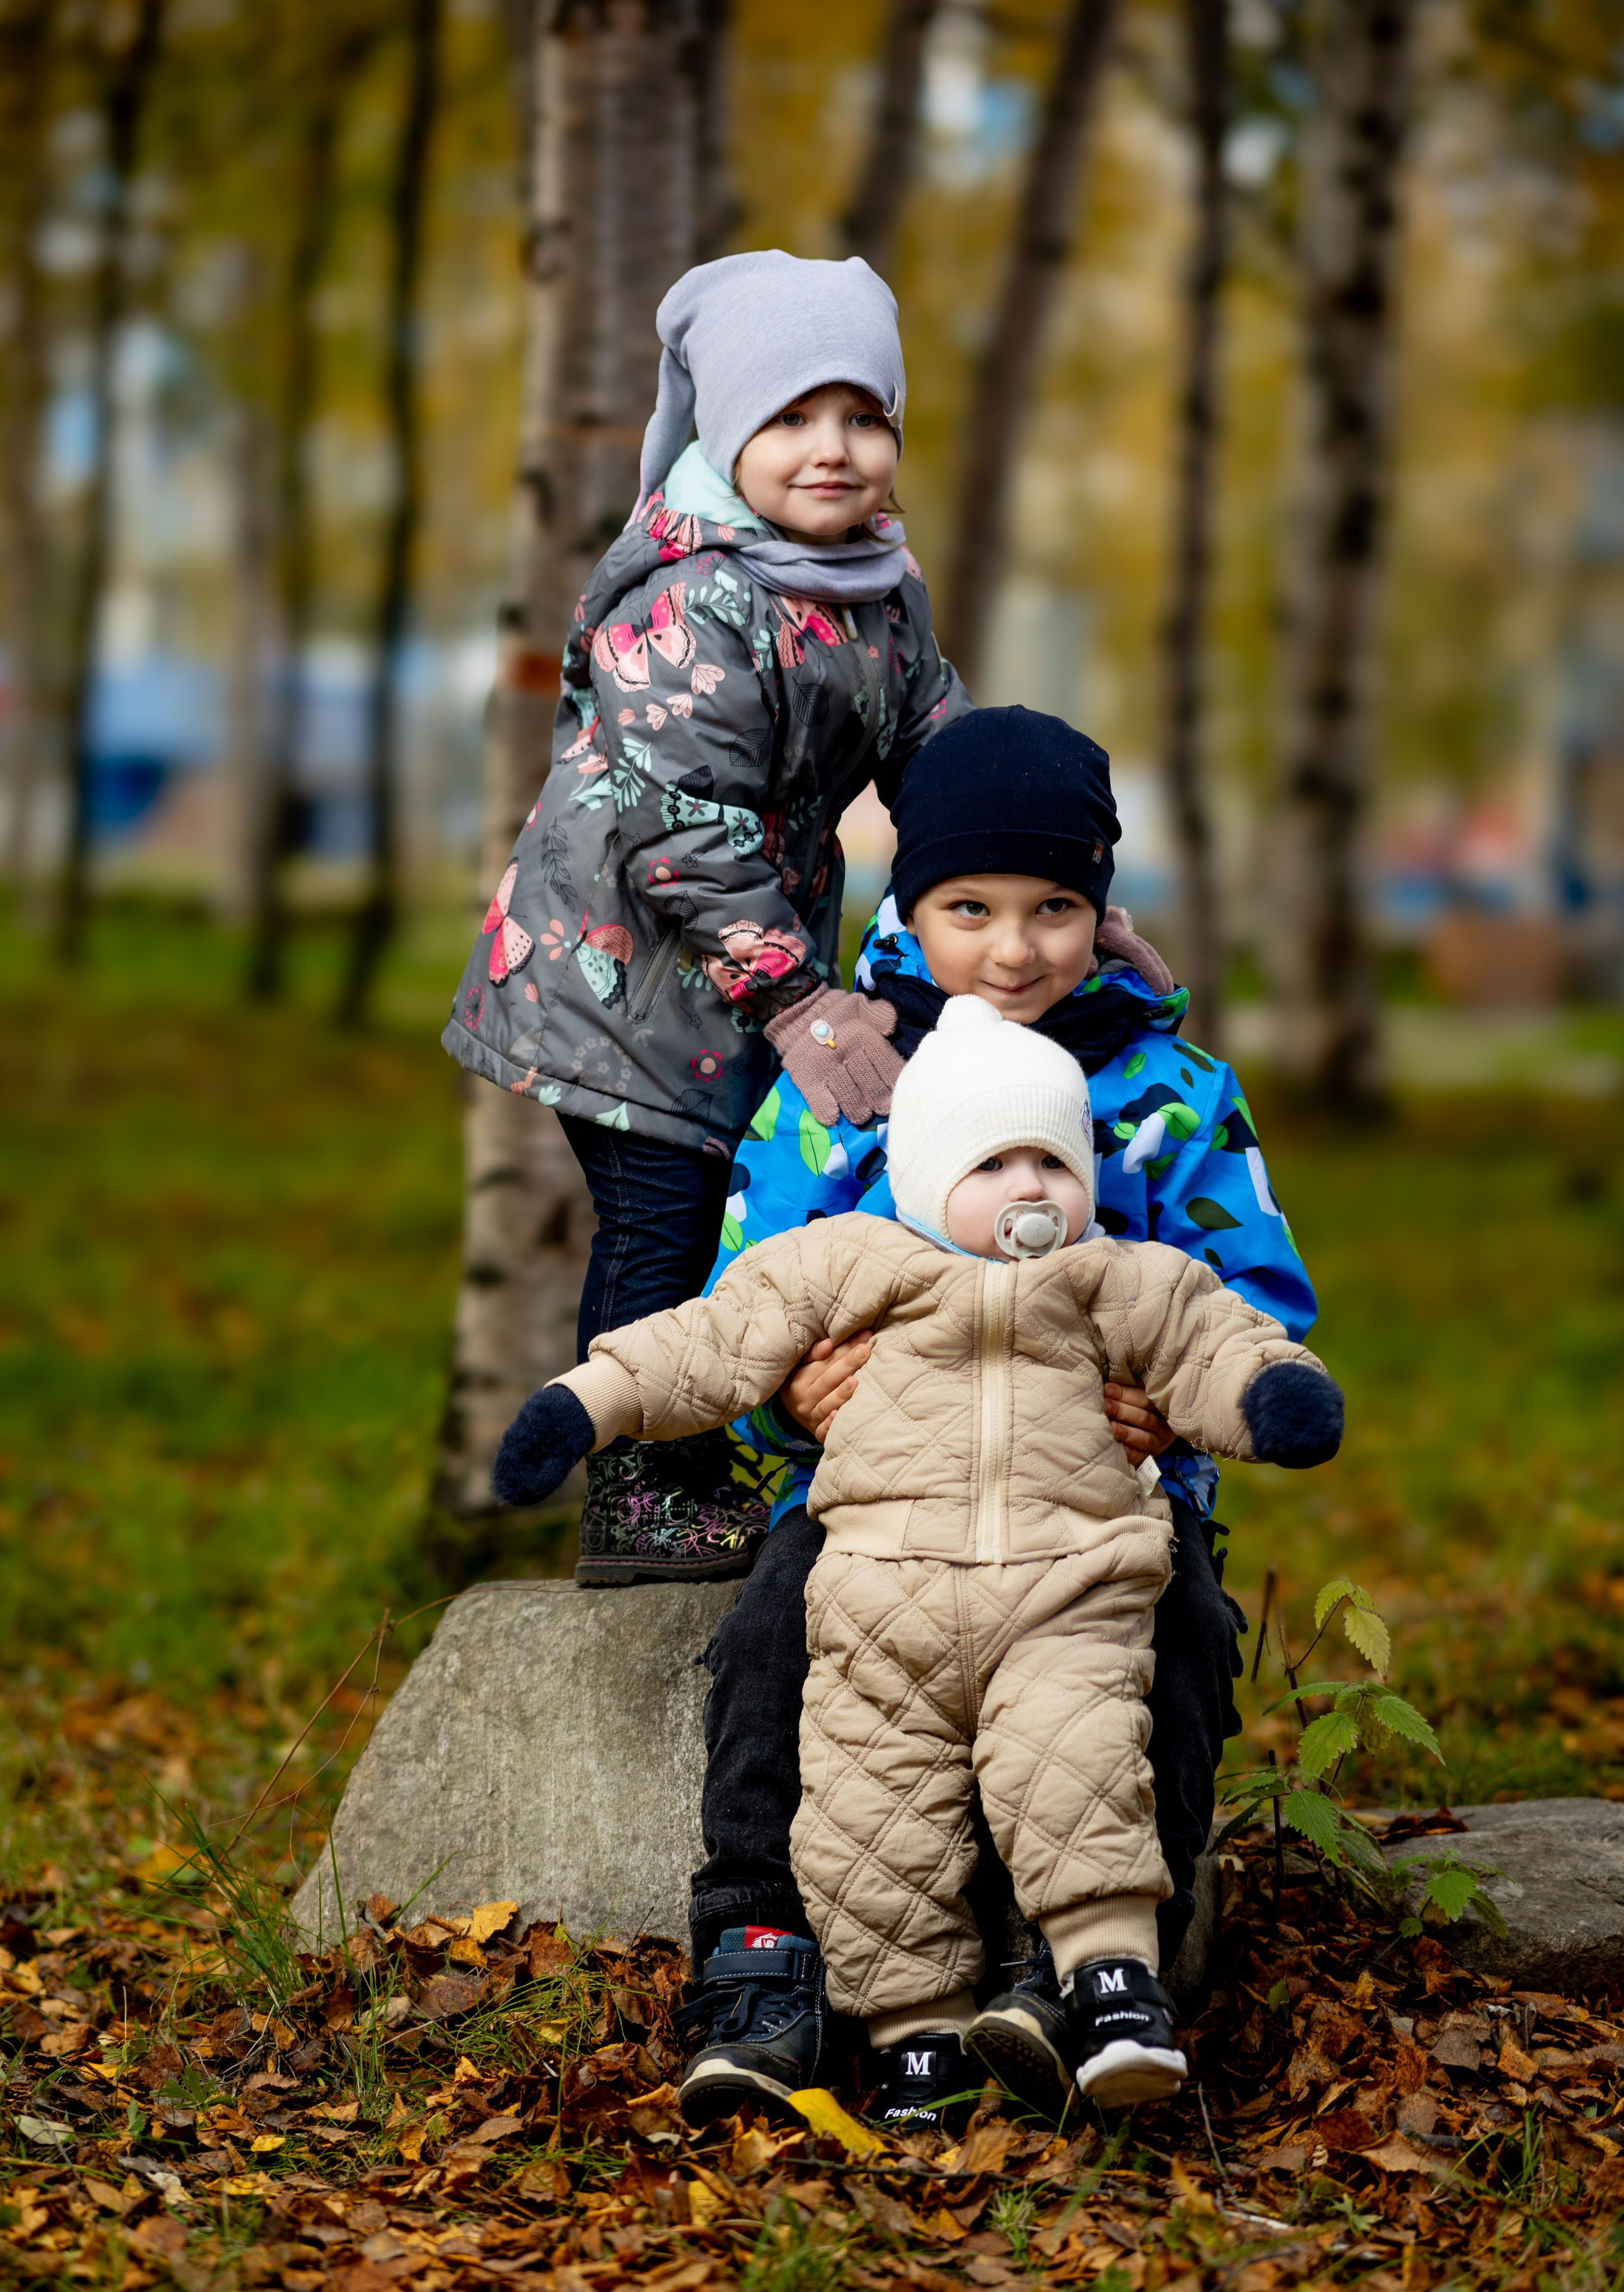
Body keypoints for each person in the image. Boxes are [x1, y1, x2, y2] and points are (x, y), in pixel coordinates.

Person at [490, 998, 1344, 2121]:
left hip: (1063, 1582)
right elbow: (711, 1338)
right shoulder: (853, 1257)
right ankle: (909, 2039)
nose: (1032, 1187)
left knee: (1081, 1757)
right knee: (872, 1814)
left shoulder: (1118, 1274)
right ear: (925, 1175)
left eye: (1054, 1160)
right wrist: (585, 1405)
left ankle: (1106, 1982)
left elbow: (1217, 1337)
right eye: (995, 1163)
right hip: (883, 1585)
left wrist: (1262, 1398)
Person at [672, 708, 1321, 2126]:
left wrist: (1175, 1403)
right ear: (910, 904)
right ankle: (759, 1947)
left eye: (1053, 909)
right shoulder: (844, 1081)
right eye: (968, 909)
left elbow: (1253, 1290)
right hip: (880, 1508)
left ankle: (1087, 1969)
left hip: (1104, 1508)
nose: (1013, 949)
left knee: (1185, 1634)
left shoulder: (1167, 1094)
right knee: (775, 1622)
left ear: (1101, 905)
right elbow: (747, 1289)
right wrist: (792, 1395)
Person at [443, 249, 969, 1586]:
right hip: (612, 976)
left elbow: (943, 761)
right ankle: (642, 1491)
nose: (832, 449)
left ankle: (716, 1449)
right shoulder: (687, 604)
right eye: (790, 418)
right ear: (728, 434)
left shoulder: (877, 593)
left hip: (732, 972)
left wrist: (1055, 878)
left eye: (863, 417)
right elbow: (679, 833)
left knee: (748, 1218)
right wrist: (799, 999)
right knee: (660, 1223)